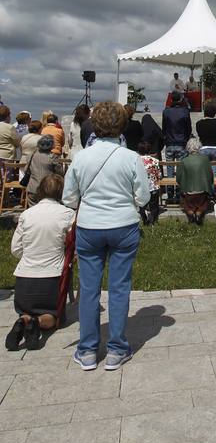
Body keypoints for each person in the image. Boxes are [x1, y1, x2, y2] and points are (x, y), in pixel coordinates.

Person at [62, 101, 150, 371]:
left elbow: (69, 198)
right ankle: (116, 349)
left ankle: (87, 350)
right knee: (119, 286)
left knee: (88, 290)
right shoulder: (131, 157)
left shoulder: (81, 157)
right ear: (121, 125)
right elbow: (143, 197)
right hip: (123, 224)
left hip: (90, 226)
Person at [6, 175, 75, 351]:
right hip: (52, 277)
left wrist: (30, 256)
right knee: (54, 317)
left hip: (24, 277)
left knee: (25, 311)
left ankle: (24, 320)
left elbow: (15, 248)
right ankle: (37, 322)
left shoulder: (26, 214)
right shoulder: (68, 214)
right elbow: (73, 245)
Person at [176, 138, 214, 224]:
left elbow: (178, 178)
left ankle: (191, 213)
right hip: (202, 191)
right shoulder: (205, 160)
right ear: (199, 147)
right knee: (202, 202)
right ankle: (199, 213)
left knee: (186, 202)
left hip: (188, 192)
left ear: (188, 148)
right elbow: (210, 176)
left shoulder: (184, 161)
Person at [162, 91, 192, 200]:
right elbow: (189, 128)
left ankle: (170, 193)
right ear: (180, 99)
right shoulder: (185, 111)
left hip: (170, 142)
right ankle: (179, 193)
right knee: (180, 170)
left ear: (171, 100)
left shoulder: (166, 112)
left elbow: (164, 128)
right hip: (181, 142)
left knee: (169, 168)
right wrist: (186, 139)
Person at [25, 135, 64, 205]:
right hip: (48, 189)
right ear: (51, 145)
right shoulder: (53, 157)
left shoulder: (32, 155)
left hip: (33, 188)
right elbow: (60, 173)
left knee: (33, 210)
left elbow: (26, 170)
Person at [138, 140, 161, 225]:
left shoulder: (136, 161)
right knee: (154, 206)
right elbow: (159, 174)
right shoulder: (155, 161)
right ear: (149, 150)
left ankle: (145, 220)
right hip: (153, 186)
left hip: (141, 187)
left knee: (142, 206)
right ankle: (153, 221)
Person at [0, 105, 21, 172]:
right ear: (7, 116)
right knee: (6, 177)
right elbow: (17, 143)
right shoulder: (10, 127)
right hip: (7, 155)